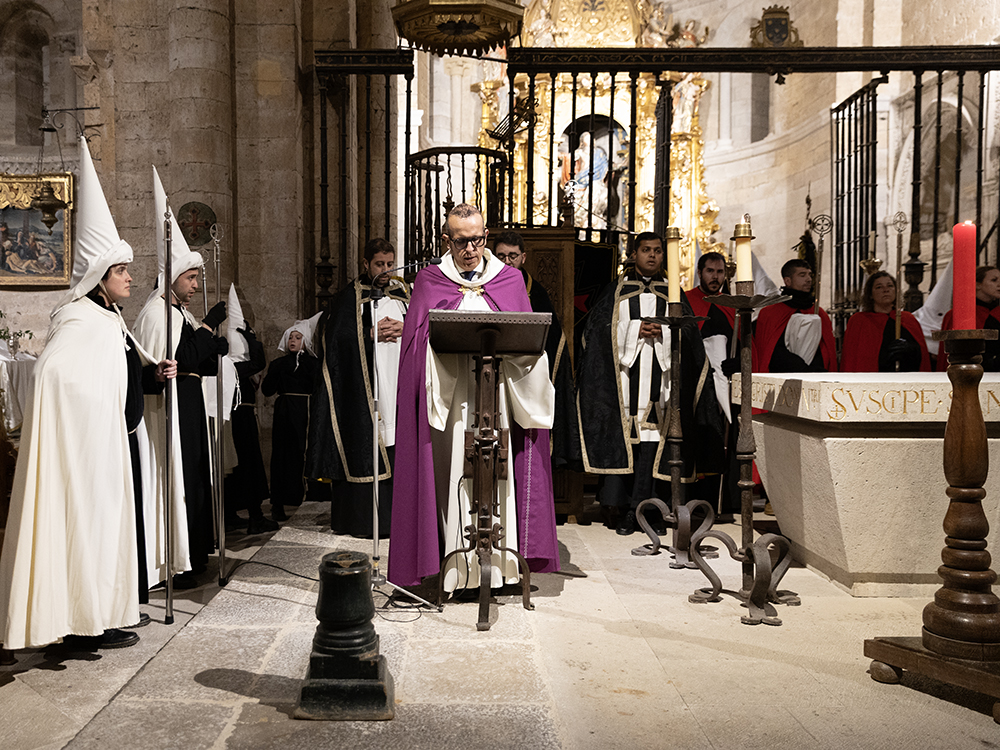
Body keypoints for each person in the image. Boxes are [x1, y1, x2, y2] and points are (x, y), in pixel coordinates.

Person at [0, 137, 173, 650]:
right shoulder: (79, 318)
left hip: (110, 443)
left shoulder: (108, 318)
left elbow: (117, 373)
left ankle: (106, 613)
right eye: (122, 271)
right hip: (87, 449)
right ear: (99, 278)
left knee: (107, 529)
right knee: (86, 529)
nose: (130, 278)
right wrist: (93, 416)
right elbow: (54, 375)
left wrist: (152, 376)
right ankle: (78, 626)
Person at [388, 203, 560, 592]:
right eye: (461, 241)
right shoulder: (430, 281)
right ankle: (455, 568)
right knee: (453, 472)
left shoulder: (509, 280)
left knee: (499, 473)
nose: (470, 249)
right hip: (451, 402)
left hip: (496, 396)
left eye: (478, 240)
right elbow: (415, 345)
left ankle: (500, 567)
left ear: (486, 236)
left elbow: (529, 342)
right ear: (445, 241)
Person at [576, 231, 725, 535]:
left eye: (657, 250)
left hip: (662, 385)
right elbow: (596, 333)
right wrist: (634, 330)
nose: (653, 255)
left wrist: (666, 331)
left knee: (654, 445)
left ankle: (652, 512)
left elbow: (691, 337)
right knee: (628, 444)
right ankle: (620, 509)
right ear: (634, 254)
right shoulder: (616, 290)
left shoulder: (673, 293)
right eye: (646, 250)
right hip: (625, 383)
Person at [134, 168, 228, 589]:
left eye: (196, 278)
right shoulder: (159, 314)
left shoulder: (178, 314)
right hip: (173, 406)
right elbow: (177, 358)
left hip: (190, 401)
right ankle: (180, 559)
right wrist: (206, 329)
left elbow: (197, 361)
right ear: (172, 278)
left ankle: (196, 551)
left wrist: (212, 345)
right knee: (183, 478)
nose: (195, 285)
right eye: (190, 278)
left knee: (196, 477)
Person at [307, 237, 409, 538]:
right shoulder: (348, 297)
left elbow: (423, 327)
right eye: (379, 264)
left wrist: (406, 328)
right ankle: (363, 522)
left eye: (390, 264)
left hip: (398, 383)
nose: (386, 270)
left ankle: (399, 522)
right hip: (365, 389)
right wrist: (368, 334)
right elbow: (333, 340)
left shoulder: (404, 293)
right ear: (365, 264)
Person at [493, 230, 580, 470]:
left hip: (526, 374)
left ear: (523, 257)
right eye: (501, 256)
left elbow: (552, 340)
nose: (507, 261)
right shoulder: (484, 287)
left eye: (512, 256)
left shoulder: (537, 293)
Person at [223, 286, 278, 535]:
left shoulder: (227, 366)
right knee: (249, 466)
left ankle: (230, 514)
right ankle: (255, 517)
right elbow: (258, 362)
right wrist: (252, 338)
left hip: (233, 417)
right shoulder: (232, 367)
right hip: (240, 418)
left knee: (234, 469)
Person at [262, 317, 321, 522]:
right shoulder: (279, 364)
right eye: (290, 338)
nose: (293, 341)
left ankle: (309, 497)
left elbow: (318, 388)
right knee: (281, 455)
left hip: (306, 411)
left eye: (297, 337)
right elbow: (267, 390)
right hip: (285, 413)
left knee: (305, 452)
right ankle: (278, 503)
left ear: (306, 341)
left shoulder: (313, 364)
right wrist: (275, 372)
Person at [753, 259, 837, 373]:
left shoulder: (819, 312)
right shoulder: (770, 313)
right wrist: (804, 369)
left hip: (817, 374)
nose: (809, 279)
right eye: (802, 275)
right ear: (787, 281)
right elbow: (772, 351)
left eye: (810, 275)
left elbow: (825, 350)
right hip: (782, 375)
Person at [841, 271, 930, 372]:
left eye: (890, 286)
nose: (886, 290)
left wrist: (910, 349)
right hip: (875, 377)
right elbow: (853, 359)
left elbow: (922, 356)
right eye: (879, 287)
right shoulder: (859, 321)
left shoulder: (908, 319)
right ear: (870, 294)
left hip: (905, 377)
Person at [937, 265, 1000, 371]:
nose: (999, 284)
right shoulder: (959, 314)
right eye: (994, 280)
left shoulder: (997, 312)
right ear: (977, 285)